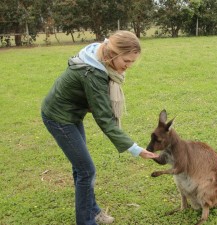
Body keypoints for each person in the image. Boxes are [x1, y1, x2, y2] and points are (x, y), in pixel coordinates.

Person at [41, 30, 158, 225]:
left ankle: (92, 210)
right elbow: (105, 120)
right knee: (86, 171)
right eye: (126, 61)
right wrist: (136, 149)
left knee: (82, 169)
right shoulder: (93, 74)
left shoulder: (99, 52)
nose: (128, 67)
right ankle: (87, 221)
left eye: (132, 62)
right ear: (113, 53)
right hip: (59, 118)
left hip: (71, 114)